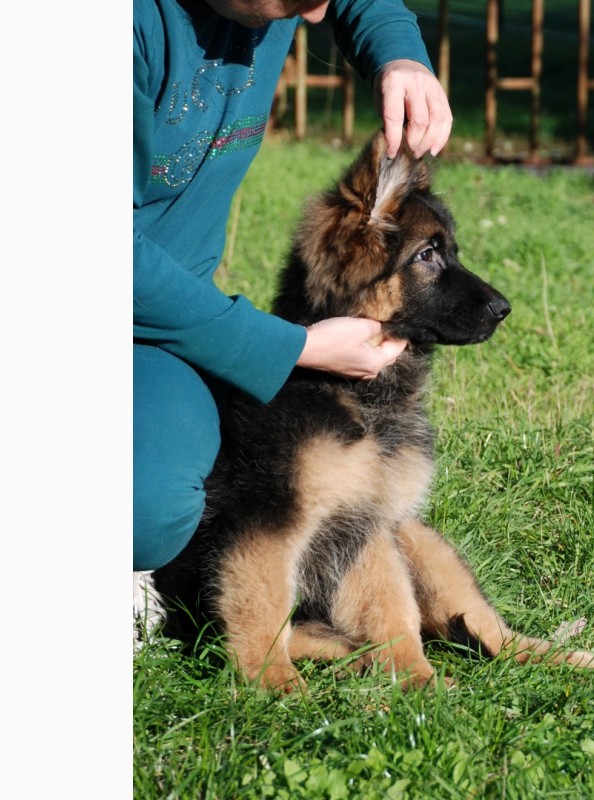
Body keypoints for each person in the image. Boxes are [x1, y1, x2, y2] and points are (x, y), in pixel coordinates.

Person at [134, 0, 453, 572]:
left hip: (158, 329)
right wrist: (292, 348)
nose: (314, 18)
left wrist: (400, 55)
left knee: (152, 516)